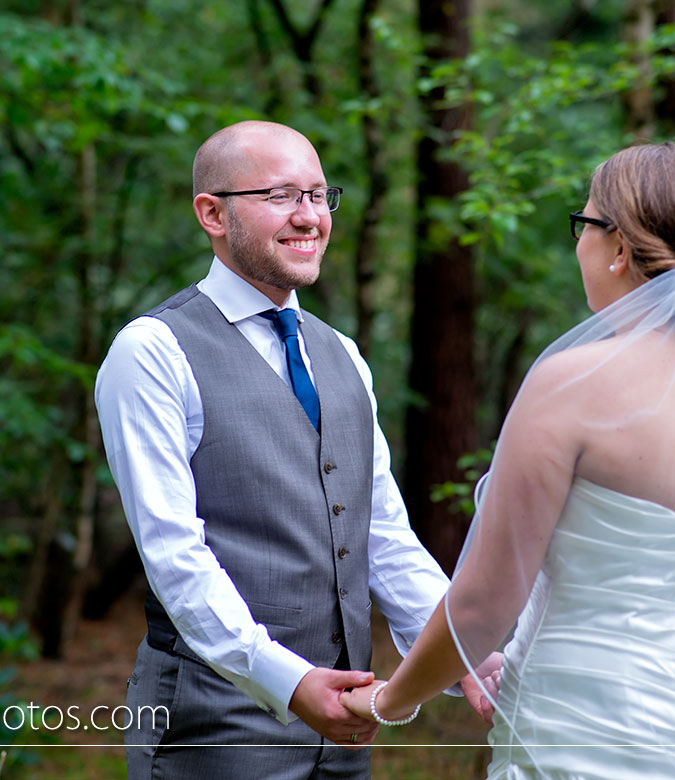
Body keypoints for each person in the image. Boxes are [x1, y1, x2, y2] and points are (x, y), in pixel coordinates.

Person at [341, 142, 675, 780]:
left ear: (620, 248)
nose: (580, 245)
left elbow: (484, 604)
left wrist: (388, 700)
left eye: (584, 224)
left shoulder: (572, 384)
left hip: (589, 726)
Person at [95, 120, 490, 780]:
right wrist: (287, 681)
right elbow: (172, 554)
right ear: (212, 213)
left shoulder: (345, 357)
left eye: (319, 194)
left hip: (346, 735)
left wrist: (467, 654)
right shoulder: (153, 352)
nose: (310, 216)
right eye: (281, 195)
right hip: (212, 730)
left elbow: (382, 538)